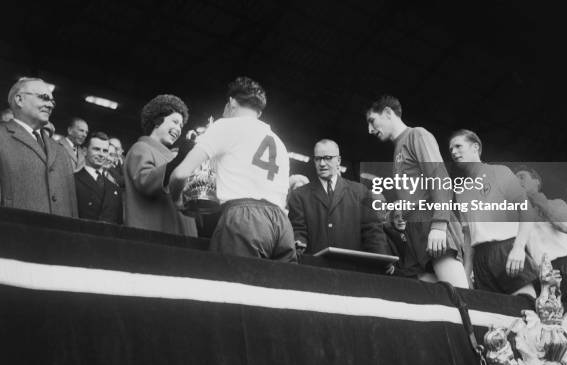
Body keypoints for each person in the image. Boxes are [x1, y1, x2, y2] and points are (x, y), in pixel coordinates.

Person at [170, 76, 296, 261]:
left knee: (231, 286)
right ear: (259, 112)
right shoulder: (279, 143)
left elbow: (180, 174)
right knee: (281, 288)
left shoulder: (226, 125)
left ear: (231, 103)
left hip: (244, 219)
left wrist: (177, 199)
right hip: (282, 226)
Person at [366, 95, 468, 287]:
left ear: (388, 113)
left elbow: (440, 178)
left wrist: (439, 225)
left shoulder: (417, 135)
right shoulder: (398, 149)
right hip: (413, 231)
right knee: (428, 300)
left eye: (372, 121)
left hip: (431, 221)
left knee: (460, 296)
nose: (370, 130)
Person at [449, 130, 537, 297]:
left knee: (526, 308)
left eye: (458, 146)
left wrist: (518, 248)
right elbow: (468, 236)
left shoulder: (500, 172)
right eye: (451, 149)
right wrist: (466, 273)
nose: (453, 152)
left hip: (506, 248)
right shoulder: (460, 192)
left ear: (475, 147)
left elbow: (527, 212)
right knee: (494, 315)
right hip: (480, 260)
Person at [288, 139, 389, 257]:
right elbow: (298, 230)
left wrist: (382, 259)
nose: (322, 163)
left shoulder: (360, 192)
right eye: (318, 159)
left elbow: (372, 231)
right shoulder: (299, 195)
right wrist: (299, 244)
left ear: (338, 161)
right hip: (315, 269)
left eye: (327, 158)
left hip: (352, 269)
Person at [515, 166, 567, 305]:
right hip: (540, 272)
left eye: (522, 177)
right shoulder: (519, 215)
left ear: (536, 181)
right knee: (549, 320)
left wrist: (535, 198)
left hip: (565, 266)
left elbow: (565, 226)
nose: (517, 181)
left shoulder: (557, 203)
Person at [0, 77, 77, 216]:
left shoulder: (61, 151)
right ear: (19, 100)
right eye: (43, 97)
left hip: (61, 235)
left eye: (52, 101)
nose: (50, 105)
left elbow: (72, 206)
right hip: (14, 234)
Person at [124, 94, 197, 236]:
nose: (179, 128)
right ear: (158, 120)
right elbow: (146, 182)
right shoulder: (140, 148)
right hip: (155, 236)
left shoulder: (169, 156)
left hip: (177, 236)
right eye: (175, 122)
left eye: (181, 125)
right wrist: (180, 159)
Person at [75, 132, 123, 224]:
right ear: (84, 151)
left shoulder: (115, 188)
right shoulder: (73, 181)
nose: (101, 154)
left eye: (105, 151)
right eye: (97, 149)